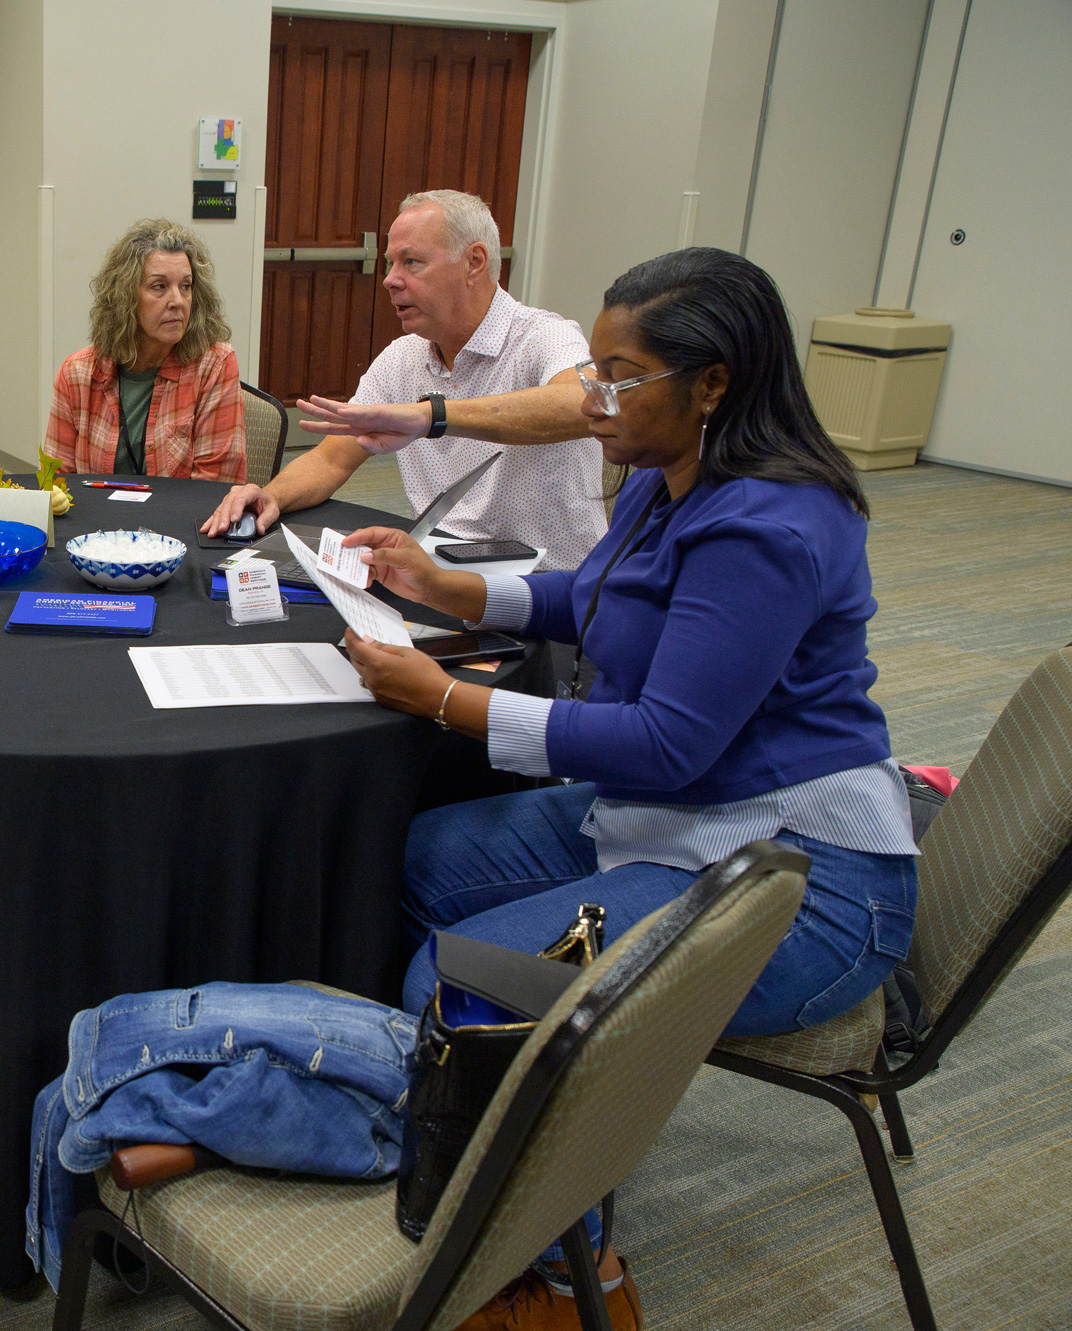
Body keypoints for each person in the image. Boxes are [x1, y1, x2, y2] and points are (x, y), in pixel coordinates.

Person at [338, 248, 918, 1327]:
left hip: (800, 876)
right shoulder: (666, 475)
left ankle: (570, 1271)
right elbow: (592, 596)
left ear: (711, 383)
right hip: (686, 818)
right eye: (592, 371)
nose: (591, 400)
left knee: (456, 981)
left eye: (618, 376)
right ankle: (492, 1141)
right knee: (420, 862)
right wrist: (446, 583)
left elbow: (662, 745)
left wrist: (442, 699)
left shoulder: (768, 526)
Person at [200, 190, 598, 570]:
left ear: (474, 262)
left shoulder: (544, 336)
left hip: (546, 587)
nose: (390, 279)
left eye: (411, 262)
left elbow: (586, 403)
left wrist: (432, 416)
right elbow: (330, 458)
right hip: (440, 574)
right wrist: (270, 496)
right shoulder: (402, 357)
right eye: (391, 263)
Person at [44, 219, 245, 481]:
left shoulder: (214, 365)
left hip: (179, 520)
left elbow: (215, 489)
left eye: (185, 286)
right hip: (96, 520)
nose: (177, 301)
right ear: (125, 297)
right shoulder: (77, 374)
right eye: (159, 286)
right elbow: (55, 482)